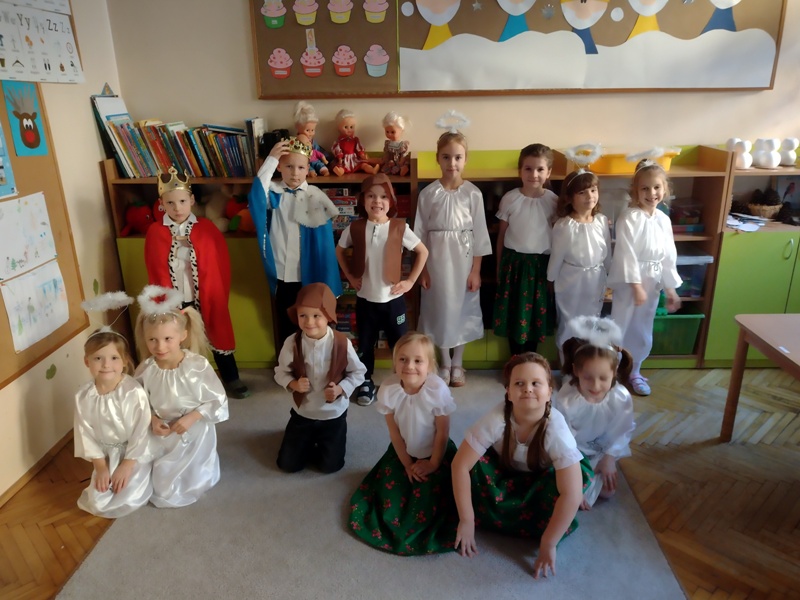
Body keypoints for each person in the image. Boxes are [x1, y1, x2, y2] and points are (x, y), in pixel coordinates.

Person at [451, 352, 591, 579]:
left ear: (549, 392)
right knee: (474, 468)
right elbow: (460, 465)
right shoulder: (497, 418)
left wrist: (548, 543)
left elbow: (571, 494)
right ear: (508, 392)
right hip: (503, 470)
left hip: (542, 477)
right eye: (519, 383)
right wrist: (466, 520)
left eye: (536, 383)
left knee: (566, 488)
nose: (527, 389)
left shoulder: (556, 429)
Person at [349, 332, 458, 554]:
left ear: (430, 365)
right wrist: (407, 464)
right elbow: (395, 433)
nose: (409, 366)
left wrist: (433, 464)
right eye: (403, 359)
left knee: (431, 500)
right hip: (403, 452)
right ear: (394, 362)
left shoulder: (437, 390)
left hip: (436, 452)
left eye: (418, 360)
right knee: (390, 496)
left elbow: (442, 433)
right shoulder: (389, 389)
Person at [144, 166, 248, 398]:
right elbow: (154, 268)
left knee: (217, 333)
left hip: (205, 295)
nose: (177, 208)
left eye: (182, 201)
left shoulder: (207, 228)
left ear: (191, 200)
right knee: (176, 340)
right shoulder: (155, 232)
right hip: (173, 299)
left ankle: (231, 378)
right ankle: (181, 384)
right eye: (170, 203)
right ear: (161, 204)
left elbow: (218, 264)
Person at [336, 173, 429, 405]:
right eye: (371, 196)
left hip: (393, 300)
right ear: (362, 200)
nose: (377, 201)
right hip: (365, 300)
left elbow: (422, 252)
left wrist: (410, 281)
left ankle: (404, 380)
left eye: (383, 197)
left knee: (400, 344)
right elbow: (339, 250)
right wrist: (350, 276)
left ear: (391, 201)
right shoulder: (355, 227)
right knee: (365, 344)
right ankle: (365, 380)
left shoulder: (399, 227)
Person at [134, 285, 229, 508]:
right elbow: (138, 402)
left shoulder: (196, 365)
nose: (160, 346)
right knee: (155, 481)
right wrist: (152, 419)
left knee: (182, 483)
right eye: (152, 340)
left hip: (193, 430)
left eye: (168, 338)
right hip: (162, 430)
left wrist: (192, 417)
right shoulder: (146, 369)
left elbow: (217, 399)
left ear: (182, 336)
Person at [413, 127, 491, 387]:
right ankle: (444, 362)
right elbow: (419, 234)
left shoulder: (473, 194)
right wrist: (423, 270)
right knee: (440, 309)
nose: (452, 163)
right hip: (436, 260)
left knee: (462, 309)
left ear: (465, 159)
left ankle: (458, 362)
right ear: (438, 158)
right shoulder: (428, 194)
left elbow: (480, 234)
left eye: (458, 157)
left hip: (464, 260)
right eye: (446, 157)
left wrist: (476, 270)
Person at [249, 136, 342, 345]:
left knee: (313, 326)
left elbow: (325, 246)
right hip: (283, 275)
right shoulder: (273, 194)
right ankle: (289, 362)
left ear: (308, 168)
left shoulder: (316, 197)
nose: (294, 173)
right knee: (287, 326)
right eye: (288, 166)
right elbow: (256, 194)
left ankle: (313, 360)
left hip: (311, 275)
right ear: (279, 167)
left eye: (300, 167)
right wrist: (271, 159)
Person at [273, 283, 366, 473]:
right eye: (303, 315)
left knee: (330, 466)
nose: (309, 322)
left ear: (329, 316)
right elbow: (280, 372)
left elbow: (358, 373)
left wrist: (341, 389)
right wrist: (293, 384)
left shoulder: (342, 343)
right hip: (303, 412)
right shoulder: (292, 342)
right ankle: (304, 441)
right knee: (288, 464)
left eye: (316, 316)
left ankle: (319, 443)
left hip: (333, 414)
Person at [609, 159, 682, 396]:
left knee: (643, 326)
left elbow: (668, 255)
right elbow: (626, 253)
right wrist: (636, 285)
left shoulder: (663, 220)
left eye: (657, 187)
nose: (651, 193)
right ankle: (611, 371)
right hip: (630, 283)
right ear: (635, 190)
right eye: (645, 188)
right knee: (621, 324)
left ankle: (635, 370)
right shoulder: (629, 217)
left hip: (653, 281)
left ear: (665, 188)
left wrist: (670, 289)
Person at [553, 316, 635, 510]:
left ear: (614, 371)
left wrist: (609, 458)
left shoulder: (620, 397)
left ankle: (582, 482)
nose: (596, 386)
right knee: (559, 484)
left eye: (603, 378)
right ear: (576, 371)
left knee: (607, 491)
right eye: (588, 377)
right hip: (572, 451)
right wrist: (576, 473)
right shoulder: (567, 397)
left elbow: (623, 430)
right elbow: (561, 435)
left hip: (601, 451)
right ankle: (574, 487)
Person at [74, 325, 153, 518]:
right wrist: (101, 467)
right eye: (98, 358)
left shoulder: (133, 392)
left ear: (124, 361)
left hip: (133, 454)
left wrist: (126, 465)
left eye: (114, 358)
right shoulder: (83, 396)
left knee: (128, 497)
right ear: (87, 361)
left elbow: (142, 430)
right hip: (105, 456)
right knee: (98, 503)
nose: (106, 365)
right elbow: (85, 433)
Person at [493, 143, 557, 356]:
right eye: (528, 168)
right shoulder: (510, 199)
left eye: (540, 169)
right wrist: (499, 267)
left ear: (548, 172)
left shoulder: (553, 201)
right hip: (514, 266)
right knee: (514, 315)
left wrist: (553, 275)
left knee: (536, 316)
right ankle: (515, 362)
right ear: (520, 170)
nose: (534, 174)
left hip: (541, 267)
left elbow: (558, 239)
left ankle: (532, 361)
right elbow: (502, 236)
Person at [547, 169, 611, 359]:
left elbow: (607, 252)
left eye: (593, 190)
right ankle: (567, 366)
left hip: (596, 280)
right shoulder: (565, 225)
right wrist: (550, 280)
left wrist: (610, 277)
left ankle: (585, 365)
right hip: (571, 282)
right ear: (569, 198)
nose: (589, 196)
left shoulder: (601, 221)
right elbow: (556, 256)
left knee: (592, 322)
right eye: (582, 192)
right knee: (569, 322)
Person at [331, 108, 379, 176]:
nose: (349, 130)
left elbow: (358, 148)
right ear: (339, 128)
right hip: (345, 160)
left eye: (351, 127)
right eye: (346, 127)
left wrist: (362, 155)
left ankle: (372, 169)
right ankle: (340, 172)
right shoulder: (339, 141)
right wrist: (340, 158)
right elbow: (337, 149)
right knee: (341, 166)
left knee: (363, 164)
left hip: (355, 159)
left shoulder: (355, 139)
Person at [293, 100, 329, 177]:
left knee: (320, 164)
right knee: (306, 167)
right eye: (307, 130)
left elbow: (318, 151)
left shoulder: (312, 142)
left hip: (315, 160)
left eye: (313, 130)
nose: (310, 133)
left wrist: (326, 157)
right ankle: (311, 172)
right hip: (304, 163)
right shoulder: (296, 142)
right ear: (298, 127)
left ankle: (323, 170)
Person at [379, 111, 411, 177]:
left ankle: (403, 168)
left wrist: (400, 162)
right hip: (390, 162)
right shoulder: (387, 143)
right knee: (385, 169)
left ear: (401, 130)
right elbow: (387, 154)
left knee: (402, 166)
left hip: (399, 162)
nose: (389, 134)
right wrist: (387, 160)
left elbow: (403, 155)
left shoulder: (402, 144)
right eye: (387, 132)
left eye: (393, 132)